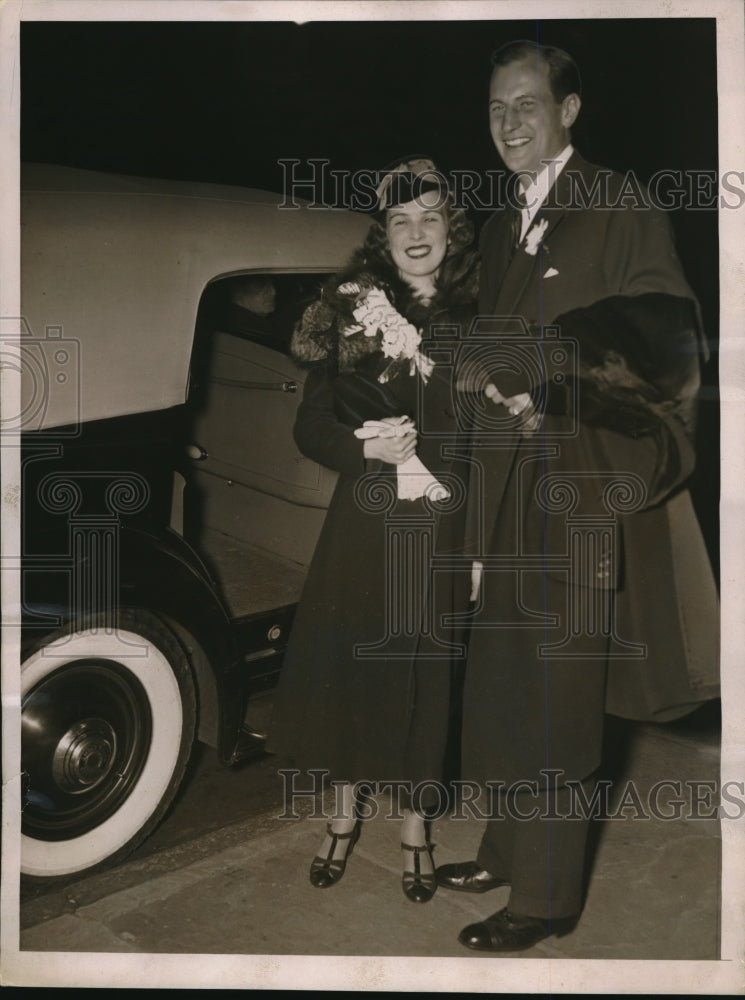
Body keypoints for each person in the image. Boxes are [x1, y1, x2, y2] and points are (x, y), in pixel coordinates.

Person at [435, 40, 720, 952]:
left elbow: (666, 335)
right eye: (494, 108)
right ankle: (507, 848)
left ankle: (548, 898)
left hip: (579, 482)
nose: (508, 122)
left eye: (526, 104)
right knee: (509, 673)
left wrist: (546, 364)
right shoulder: (493, 223)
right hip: (503, 483)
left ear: (569, 110)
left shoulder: (618, 202)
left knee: (558, 685)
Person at [268, 157, 479, 902]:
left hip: (443, 529)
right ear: (380, 235)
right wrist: (363, 447)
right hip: (362, 525)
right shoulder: (350, 314)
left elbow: (496, 439)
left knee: (426, 678)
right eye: (400, 220)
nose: (415, 232)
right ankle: (341, 817)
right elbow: (310, 423)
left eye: (429, 216)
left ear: (450, 228)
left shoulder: (481, 318)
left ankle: (416, 826)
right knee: (349, 670)